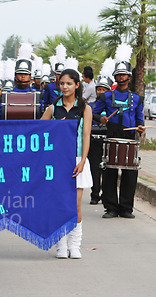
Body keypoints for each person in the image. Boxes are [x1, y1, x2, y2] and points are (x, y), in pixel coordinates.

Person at [41, 69, 92, 259]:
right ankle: (61, 245)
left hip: (77, 160)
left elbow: (86, 135)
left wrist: (83, 160)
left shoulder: (85, 109)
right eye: (62, 83)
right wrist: (55, 127)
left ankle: (75, 244)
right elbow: (39, 132)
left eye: (69, 83)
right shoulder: (53, 109)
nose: (65, 87)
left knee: (75, 206)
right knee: (58, 205)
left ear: (77, 85)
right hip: (56, 162)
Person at [92, 53, 144, 219]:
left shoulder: (136, 99)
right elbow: (94, 112)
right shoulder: (106, 96)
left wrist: (141, 127)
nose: (121, 77)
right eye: (119, 75)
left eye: (124, 75)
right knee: (109, 171)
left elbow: (139, 118)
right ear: (115, 77)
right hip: (111, 133)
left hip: (129, 135)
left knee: (130, 172)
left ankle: (126, 208)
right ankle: (111, 208)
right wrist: (101, 118)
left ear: (129, 77)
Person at [88, 75, 112, 205]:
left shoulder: (111, 106)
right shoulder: (90, 106)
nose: (100, 92)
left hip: (108, 139)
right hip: (94, 139)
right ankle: (95, 194)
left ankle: (106, 195)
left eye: (104, 90)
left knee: (107, 169)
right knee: (94, 168)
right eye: (99, 89)